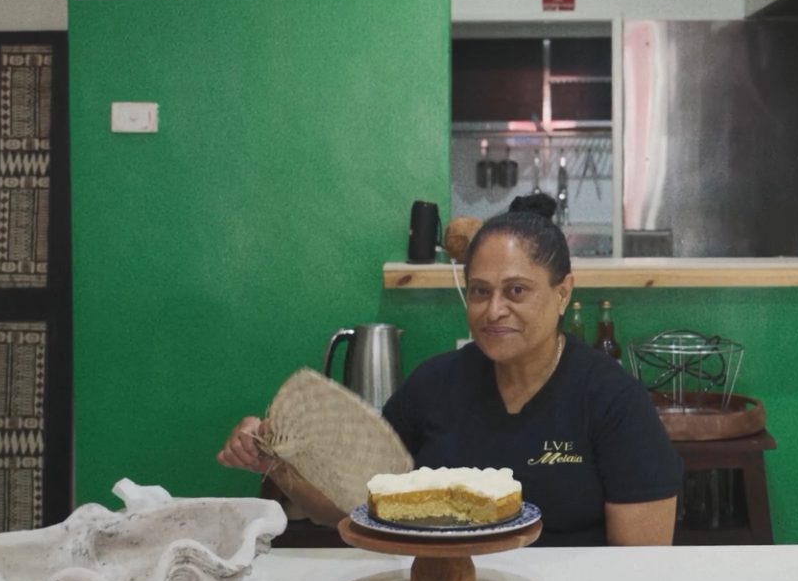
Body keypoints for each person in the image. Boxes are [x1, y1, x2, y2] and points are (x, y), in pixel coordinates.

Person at [218, 195, 682, 545]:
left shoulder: (613, 400)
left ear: (563, 293)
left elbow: (639, 567)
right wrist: (276, 461)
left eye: (516, 291)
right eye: (479, 292)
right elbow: (349, 508)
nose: (493, 310)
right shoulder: (435, 386)